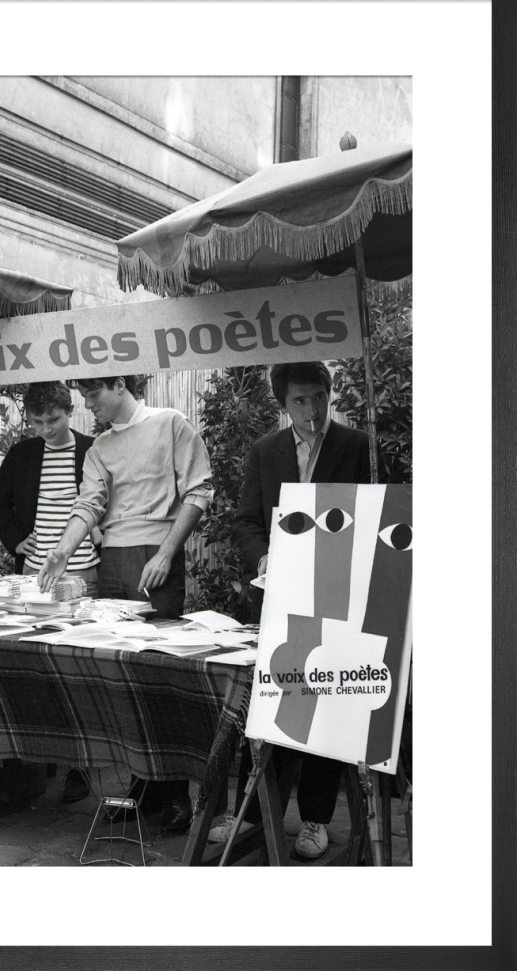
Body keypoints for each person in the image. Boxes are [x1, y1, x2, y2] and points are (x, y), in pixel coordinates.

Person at [36, 374, 214, 833]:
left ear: (119, 385)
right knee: (122, 678)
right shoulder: (98, 449)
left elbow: (199, 491)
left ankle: (175, 793)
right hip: (114, 561)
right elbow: (89, 505)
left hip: (156, 559)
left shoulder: (170, 424)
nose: (88, 405)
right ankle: (142, 785)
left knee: (158, 675)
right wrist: (62, 550)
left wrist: (167, 552)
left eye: (93, 395)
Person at [211, 360, 372, 859]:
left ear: (330, 394)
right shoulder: (265, 451)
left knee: (325, 697)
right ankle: (254, 814)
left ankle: (317, 820)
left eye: (320, 396)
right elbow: (244, 520)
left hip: (337, 596)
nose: (313, 409)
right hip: (279, 599)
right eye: (300, 400)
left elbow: (374, 517)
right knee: (272, 700)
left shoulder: (357, 447)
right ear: (284, 405)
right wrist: (263, 556)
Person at [0, 380, 99, 804]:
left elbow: (107, 500)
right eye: (37, 422)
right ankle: (42, 754)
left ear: (70, 412)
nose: (46, 429)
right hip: (35, 575)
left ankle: (80, 768)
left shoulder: (92, 449)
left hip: (85, 570)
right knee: (39, 667)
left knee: (80, 668)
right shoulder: (23, 454)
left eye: (53, 419)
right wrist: (17, 539)